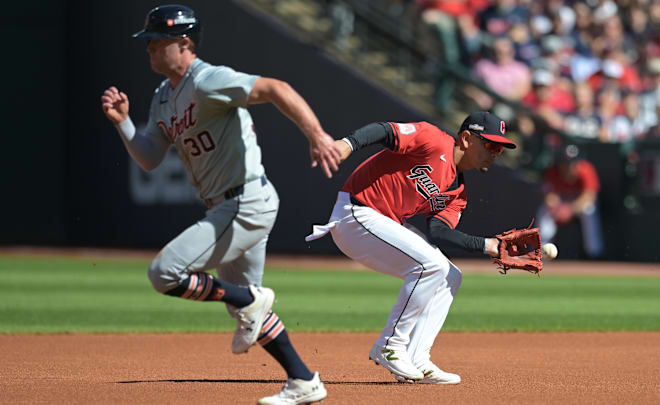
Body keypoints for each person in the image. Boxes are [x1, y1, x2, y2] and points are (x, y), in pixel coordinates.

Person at [99, 5, 341, 404]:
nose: (150, 49)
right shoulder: (163, 98)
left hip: (246, 201)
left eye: (157, 42)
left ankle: (248, 298)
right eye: (149, 43)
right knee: (247, 312)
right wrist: (123, 122)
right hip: (226, 206)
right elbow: (149, 158)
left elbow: (276, 88)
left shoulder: (208, 79)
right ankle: (303, 380)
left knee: (165, 273)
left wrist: (317, 135)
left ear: (184, 43)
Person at [306, 111, 517, 384]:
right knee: (431, 266)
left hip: (382, 222)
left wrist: (490, 245)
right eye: (490, 144)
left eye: (500, 148)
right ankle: (390, 345)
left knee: (450, 275)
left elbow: (438, 231)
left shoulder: (458, 194)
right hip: (355, 212)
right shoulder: (433, 140)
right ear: (466, 139)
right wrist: (348, 143)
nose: (495, 152)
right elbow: (384, 130)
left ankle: (419, 358)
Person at [536, 144, 604, 259]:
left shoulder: (586, 169)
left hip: (577, 205)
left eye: (573, 163)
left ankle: (594, 254)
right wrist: (556, 207)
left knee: (589, 210)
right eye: (566, 163)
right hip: (560, 203)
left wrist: (570, 209)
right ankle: (542, 251)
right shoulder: (553, 172)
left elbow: (589, 197)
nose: (570, 167)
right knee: (544, 211)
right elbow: (548, 197)